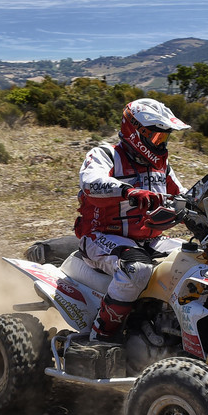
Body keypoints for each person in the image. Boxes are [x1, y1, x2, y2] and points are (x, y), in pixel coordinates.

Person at [71, 98, 192, 350]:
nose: (161, 143)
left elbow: (184, 196)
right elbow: (90, 182)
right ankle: (101, 338)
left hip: (150, 239)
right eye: (157, 137)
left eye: (164, 138)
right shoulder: (106, 155)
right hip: (101, 236)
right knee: (137, 269)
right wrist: (129, 192)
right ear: (136, 132)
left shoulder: (161, 167)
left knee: (196, 259)